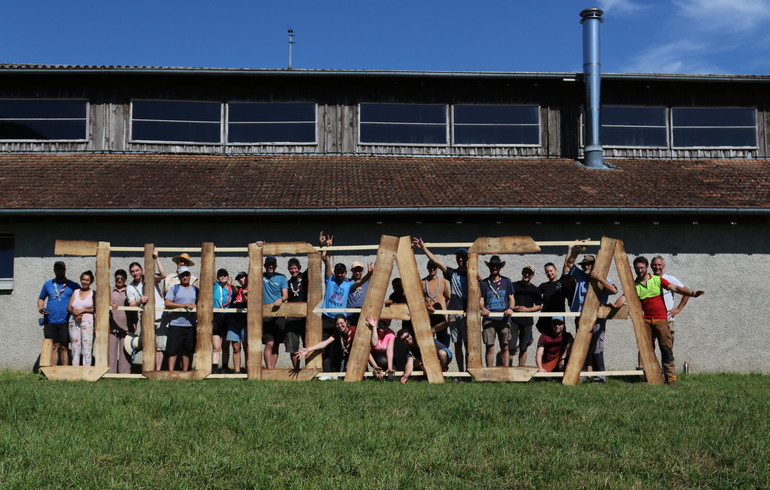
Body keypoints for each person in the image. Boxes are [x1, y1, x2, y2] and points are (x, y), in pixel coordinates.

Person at [614, 256, 704, 385]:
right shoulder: (633, 285)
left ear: (646, 268)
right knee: (647, 351)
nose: (639, 270)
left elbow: (676, 288)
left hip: (661, 320)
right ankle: (648, 378)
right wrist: (615, 306)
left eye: (642, 268)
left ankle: (671, 380)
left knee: (666, 349)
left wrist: (692, 293)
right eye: (637, 268)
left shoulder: (657, 280)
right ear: (634, 269)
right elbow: (624, 297)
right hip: (645, 322)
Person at [562, 245, 618, 382]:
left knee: (597, 346)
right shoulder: (580, 276)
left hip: (597, 317)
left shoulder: (602, 277)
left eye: (589, 264)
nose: (586, 267)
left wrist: (599, 278)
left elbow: (614, 291)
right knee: (581, 346)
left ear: (594, 265)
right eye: (584, 265)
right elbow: (569, 263)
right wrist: (573, 250)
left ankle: (600, 376)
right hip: (581, 317)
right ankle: (580, 375)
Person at [412, 238, 469, 371]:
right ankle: (461, 374)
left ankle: (469, 373)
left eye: (463, 257)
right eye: (458, 257)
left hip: (467, 314)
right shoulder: (452, 274)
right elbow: (436, 260)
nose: (460, 259)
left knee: (468, 346)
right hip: (454, 314)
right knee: (457, 345)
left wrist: (479, 279)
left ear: (467, 258)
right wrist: (423, 247)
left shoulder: (473, 274)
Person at [319, 231, 372, 371]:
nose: (340, 274)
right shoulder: (330, 279)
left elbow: (360, 283)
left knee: (338, 346)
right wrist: (327, 247)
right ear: (335, 272)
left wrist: (369, 274)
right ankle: (326, 372)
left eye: (342, 272)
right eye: (338, 272)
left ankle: (336, 372)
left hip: (339, 319)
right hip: (327, 317)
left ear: (345, 273)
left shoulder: (348, 284)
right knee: (325, 346)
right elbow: (327, 262)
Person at [126, 251, 167, 369]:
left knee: (160, 344)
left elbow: (164, 275)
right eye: (132, 271)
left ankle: (158, 370)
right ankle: (148, 368)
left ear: (141, 270)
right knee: (147, 343)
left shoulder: (150, 277)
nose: (135, 273)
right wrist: (140, 301)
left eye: (137, 270)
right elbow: (132, 305)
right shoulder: (130, 287)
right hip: (146, 317)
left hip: (160, 314)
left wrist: (157, 258)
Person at [38, 261, 80, 366]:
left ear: (65, 270)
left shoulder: (73, 285)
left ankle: (65, 370)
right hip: (50, 320)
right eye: (57, 269)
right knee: (53, 346)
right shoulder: (48, 284)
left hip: (65, 320)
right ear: (54, 270)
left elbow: (83, 295)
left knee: (64, 346)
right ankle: (52, 370)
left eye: (61, 269)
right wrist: (40, 308)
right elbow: (41, 298)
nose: (59, 271)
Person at [479, 255, 515, 368]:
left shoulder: (506, 281)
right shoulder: (484, 283)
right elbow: (480, 300)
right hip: (489, 319)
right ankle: (489, 372)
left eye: (497, 265)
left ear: (500, 267)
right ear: (489, 267)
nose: (494, 267)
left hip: (504, 318)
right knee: (490, 346)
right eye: (492, 265)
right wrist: (483, 309)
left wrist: (511, 309)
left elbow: (512, 299)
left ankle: (505, 372)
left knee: (505, 346)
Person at [164, 266, 199, 372]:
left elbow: (201, 303)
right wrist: (183, 305)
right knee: (172, 350)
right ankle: (171, 372)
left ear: (190, 276)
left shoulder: (195, 290)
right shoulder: (174, 288)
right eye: (183, 275)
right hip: (176, 324)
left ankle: (185, 372)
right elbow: (167, 302)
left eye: (187, 275)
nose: (185, 277)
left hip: (190, 325)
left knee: (187, 350)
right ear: (179, 277)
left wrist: (197, 306)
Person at [650, 255, 690, 345]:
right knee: (647, 349)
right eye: (655, 265)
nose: (657, 267)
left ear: (663, 266)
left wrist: (678, 308)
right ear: (651, 266)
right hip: (650, 321)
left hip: (667, 320)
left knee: (667, 349)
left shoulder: (670, 279)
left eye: (659, 265)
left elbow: (686, 292)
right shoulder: (647, 280)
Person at [510, 264, 542, 367]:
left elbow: (539, 306)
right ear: (522, 273)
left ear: (532, 275)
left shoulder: (535, 289)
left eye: (529, 273)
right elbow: (507, 300)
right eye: (525, 272)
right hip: (513, 321)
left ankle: (521, 370)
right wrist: (512, 307)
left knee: (524, 347)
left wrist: (527, 310)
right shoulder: (513, 285)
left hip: (527, 322)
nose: (526, 274)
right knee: (511, 347)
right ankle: (508, 370)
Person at [262, 256, 289, 370]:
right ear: (265, 266)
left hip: (279, 314)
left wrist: (281, 299)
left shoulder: (282, 278)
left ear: (276, 266)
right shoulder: (260, 276)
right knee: (269, 344)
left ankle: (272, 371)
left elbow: (286, 295)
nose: (271, 266)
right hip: (265, 315)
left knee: (276, 344)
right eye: (268, 264)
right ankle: (268, 370)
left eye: (272, 264)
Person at [67, 271, 95, 367]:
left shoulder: (93, 293)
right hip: (73, 322)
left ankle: (86, 369)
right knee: (75, 346)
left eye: (87, 280)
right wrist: (74, 312)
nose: (85, 282)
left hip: (87, 322)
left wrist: (82, 310)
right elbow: (69, 307)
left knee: (87, 346)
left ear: (91, 281)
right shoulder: (75, 292)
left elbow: (95, 309)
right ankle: (75, 369)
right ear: (81, 280)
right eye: (83, 279)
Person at [211, 268, 235, 374]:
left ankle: (225, 367)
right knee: (216, 346)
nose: (223, 277)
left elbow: (236, 292)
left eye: (225, 275)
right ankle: (215, 367)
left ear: (228, 276)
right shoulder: (215, 286)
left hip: (228, 318)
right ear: (217, 277)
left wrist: (232, 284)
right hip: (216, 317)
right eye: (220, 275)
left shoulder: (231, 288)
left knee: (226, 346)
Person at [422, 260, 451, 346]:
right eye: (430, 267)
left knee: (442, 342)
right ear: (427, 268)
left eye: (434, 267)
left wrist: (448, 313)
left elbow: (448, 298)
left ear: (437, 268)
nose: (432, 269)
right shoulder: (422, 282)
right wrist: (427, 305)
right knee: (428, 341)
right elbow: (419, 298)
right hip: (428, 316)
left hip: (441, 316)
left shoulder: (443, 281)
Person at [286, 257, 308, 370]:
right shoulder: (288, 283)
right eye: (291, 268)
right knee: (292, 345)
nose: (293, 270)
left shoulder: (305, 278)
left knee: (308, 343)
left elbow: (313, 265)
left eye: (295, 268)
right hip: (292, 317)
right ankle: (296, 370)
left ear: (299, 268)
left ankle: (309, 369)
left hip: (305, 317)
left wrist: (322, 247)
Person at [108, 269, 132, 374]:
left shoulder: (130, 290)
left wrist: (135, 322)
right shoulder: (110, 290)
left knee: (126, 351)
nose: (119, 280)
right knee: (111, 352)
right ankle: (110, 372)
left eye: (122, 278)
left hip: (127, 325)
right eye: (117, 278)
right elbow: (104, 303)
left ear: (125, 279)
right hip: (113, 325)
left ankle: (124, 373)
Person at [226, 272, 248, 373]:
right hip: (234, 321)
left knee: (246, 347)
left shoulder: (252, 289)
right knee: (235, 347)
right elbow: (235, 291)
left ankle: (249, 370)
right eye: (238, 279)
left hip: (246, 322)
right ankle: (237, 371)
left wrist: (244, 294)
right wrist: (232, 285)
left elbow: (246, 301)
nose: (240, 280)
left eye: (242, 277)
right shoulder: (239, 289)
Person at [536, 262, 567, 334]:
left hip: (558, 318)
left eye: (551, 271)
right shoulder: (543, 286)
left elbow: (566, 267)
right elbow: (534, 295)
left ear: (556, 271)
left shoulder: (561, 283)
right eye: (547, 272)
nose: (549, 273)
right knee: (546, 339)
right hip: (546, 318)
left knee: (559, 339)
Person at [367, 315, 395, 379]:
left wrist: (390, 367)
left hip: (386, 358)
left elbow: (390, 350)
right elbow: (374, 344)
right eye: (381, 323)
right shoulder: (373, 331)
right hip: (376, 358)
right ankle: (378, 370)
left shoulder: (390, 333)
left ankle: (385, 372)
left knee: (391, 378)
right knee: (383, 360)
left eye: (385, 324)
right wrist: (374, 327)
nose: (383, 326)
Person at [346, 261, 369, 326]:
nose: (358, 273)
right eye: (356, 270)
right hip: (349, 316)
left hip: (362, 315)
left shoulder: (368, 281)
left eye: (360, 270)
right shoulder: (347, 282)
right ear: (352, 271)